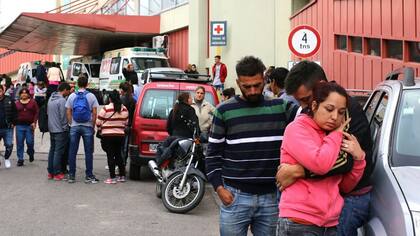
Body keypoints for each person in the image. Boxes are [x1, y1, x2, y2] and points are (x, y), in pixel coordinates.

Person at [277, 61, 373, 236]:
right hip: (304, 216)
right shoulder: (306, 122)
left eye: (306, 99)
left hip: (345, 202)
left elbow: (344, 161)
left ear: (320, 87)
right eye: (300, 102)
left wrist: (300, 171)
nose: (304, 106)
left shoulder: (340, 110)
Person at [206, 56, 297, 236]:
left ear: (264, 80)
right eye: (247, 87)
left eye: (257, 85)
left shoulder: (282, 107)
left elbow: (310, 124)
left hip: (272, 198)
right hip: (235, 197)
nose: (253, 90)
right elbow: (212, 155)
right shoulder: (224, 111)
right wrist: (219, 188)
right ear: (238, 82)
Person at [65, 74, 99, 184]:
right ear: (87, 84)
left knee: (72, 151)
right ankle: (89, 175)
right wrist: (92, 126)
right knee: (88, 152)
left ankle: (71, 175)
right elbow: (94, 113)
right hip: (87, 126)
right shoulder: (91, 96)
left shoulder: (71, 96)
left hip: (74, 126)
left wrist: (71, 123)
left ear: (77, 84)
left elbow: (68, 111)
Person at [96, 90, 129, 184]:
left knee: (110, 155)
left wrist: (100, 129)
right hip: (120, 135)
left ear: (110, 98)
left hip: (108, 136)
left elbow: (98, 122)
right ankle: (122, 176)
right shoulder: (124, 109)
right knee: (119, 155)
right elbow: (126, 123)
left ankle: (112, 177)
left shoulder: (106, 109)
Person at [47, 82, 71, 180]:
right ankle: (57, 172)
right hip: (60, 130)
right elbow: (63, 116)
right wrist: (66, 128)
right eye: (68, 91)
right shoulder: (61, 101)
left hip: (52, 128)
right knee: (58, 152)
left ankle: (50, 172)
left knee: (52, 150)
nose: (68, 93)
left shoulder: (51, 98)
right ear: (65, 89)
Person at [15, 88, 39, 166]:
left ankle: (30, 152)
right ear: (20, 95)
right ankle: (20, 159)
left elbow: (36, 112)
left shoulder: (33, 102)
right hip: (19, 126)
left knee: (30, 142)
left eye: (25, 93)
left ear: (28, 94)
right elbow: (13, 113)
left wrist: (34, 122)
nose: (24, 94)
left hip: (29, 126)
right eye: (22, 93)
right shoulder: (16, 103)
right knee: (20, 143)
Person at [0, 86, 17, 168]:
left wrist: (14, 122)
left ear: (3, 91)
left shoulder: (9, 100)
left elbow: (15, 112)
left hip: (8, 127)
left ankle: (6, 158)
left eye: (0, 91)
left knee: (9, 145)